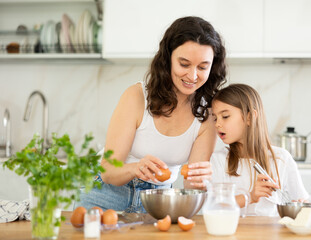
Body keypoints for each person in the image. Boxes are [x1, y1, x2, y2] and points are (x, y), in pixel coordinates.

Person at [77, 16, 227, 213]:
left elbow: (191, 186)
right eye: (184, 64)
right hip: (106, 195)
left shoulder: (206, 115)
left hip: (160, 202)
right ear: (167, 59)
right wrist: (136, 168)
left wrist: (202, 178)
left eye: (202, 67)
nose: (192, 76)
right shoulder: (137, 97)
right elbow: (108, 171)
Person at [210, 83, 309, 216]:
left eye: (225, 116)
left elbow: (300, 204)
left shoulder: (281, 158)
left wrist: (300, 207)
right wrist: (250, 197)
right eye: (215, 118)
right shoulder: (218, 160)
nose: (217, 124)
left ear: (250, 117)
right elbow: (214, 207)